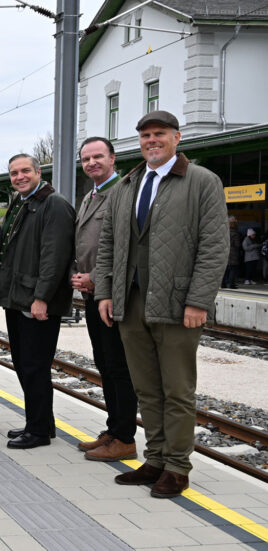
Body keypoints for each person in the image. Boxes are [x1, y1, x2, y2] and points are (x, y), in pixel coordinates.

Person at [97, 110, 229, 498]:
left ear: (177, 137)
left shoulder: (202, 181)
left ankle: (177, 467)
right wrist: (105, 292)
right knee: (147, 388)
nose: (151, 141)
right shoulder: (127, 184)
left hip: (177, 302)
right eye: (145, 136)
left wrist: (199, 300)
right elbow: (108, 245)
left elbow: (214, 247)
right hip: (131, 302)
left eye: (159, 134)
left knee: (177, 388)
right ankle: (155, 458)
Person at [0, 153, 75, 450]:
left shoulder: (53, 204)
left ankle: (39, 431)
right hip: (18, 299)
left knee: (34, 366)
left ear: (38, 171)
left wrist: (41, 298)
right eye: (14, 173)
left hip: (35, 301)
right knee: (24, 364)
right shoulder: (23, 202)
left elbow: (54, 257)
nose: (19, 177)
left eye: (25, 171)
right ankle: (39, 423)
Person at [72, 137, 137, 461]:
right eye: (86, 158)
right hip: (92, 294)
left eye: (98, 156)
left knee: (118, 365)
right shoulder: (90, 195)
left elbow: (121, 245)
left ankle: (125, 437)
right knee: (105, 364)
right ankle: (113, 430)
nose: (91, 163)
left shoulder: (122, 193)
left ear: (112, 158)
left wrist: (95, 277)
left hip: (110, 294)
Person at [223, 217, 241, 289]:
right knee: (233, 269)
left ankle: (223, 284)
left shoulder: (224, 232)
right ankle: (231, 284)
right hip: (233, 253)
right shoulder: (235, 234)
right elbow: (237, 244)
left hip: (225, 252)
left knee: (225, 269)